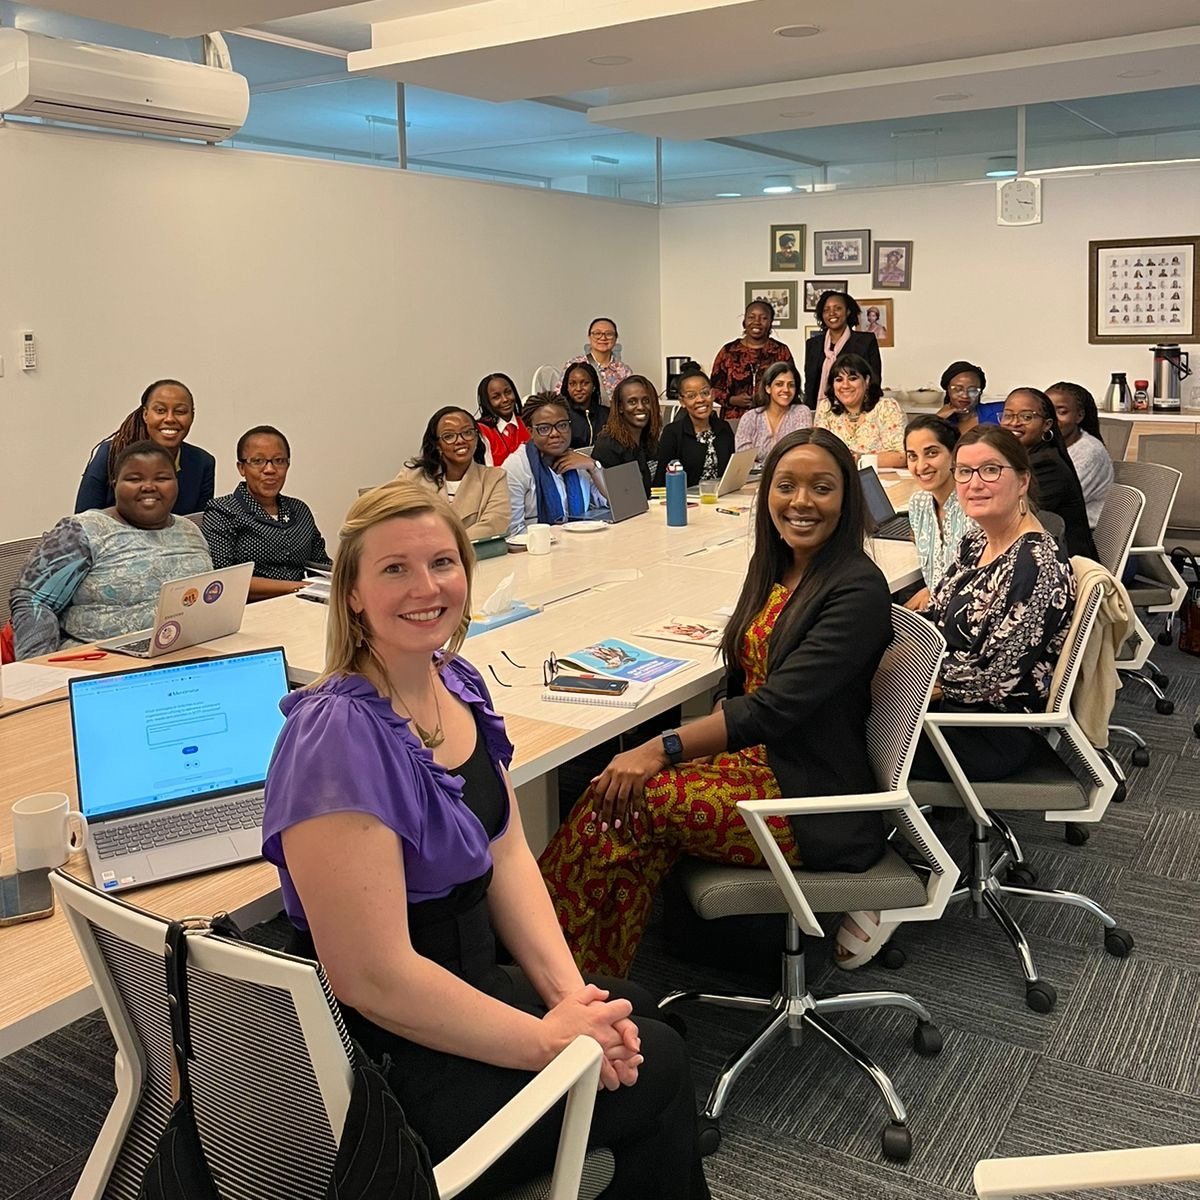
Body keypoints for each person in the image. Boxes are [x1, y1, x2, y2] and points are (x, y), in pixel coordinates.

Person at [261, 484, 710, 1199]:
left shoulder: (454, 682)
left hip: (467, 985)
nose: (426, 587)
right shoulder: (336, 739)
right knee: (655, 1062)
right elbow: (372, 980)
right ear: (350, 593)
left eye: (442, 562)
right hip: (392, 1056)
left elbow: (505, 857)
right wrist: (548, 1042)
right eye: (394, 570)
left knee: (632, 1015)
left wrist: (571, 999)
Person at [539, 429, 892, 977]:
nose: (801, 502)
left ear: (846, 500)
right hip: (763, 762)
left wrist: (662, 748)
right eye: (786, 486)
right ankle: (591, 980)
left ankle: (550, 978)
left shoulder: (856, 587)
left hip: (808, 798)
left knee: (619, 805)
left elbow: (772, 709)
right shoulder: (782, 565)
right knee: (618, 799)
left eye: (821, 488)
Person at [843, 426, 1077, 968]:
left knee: (843, 736)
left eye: (990, 470)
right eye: (967, 471)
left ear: (1022, 481)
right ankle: (867, 858)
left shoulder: (1036, 566)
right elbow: (937, 613)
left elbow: (990, 679)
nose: (974, 482)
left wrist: (895, 670)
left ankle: (904, 872)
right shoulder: (977, 539)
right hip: (947, 707)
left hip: (990, 730)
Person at [13, 441, 212, 659]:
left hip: (188, 653)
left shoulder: (189, 529)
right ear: (115, 484)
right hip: (99, 662)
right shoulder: (82, 530)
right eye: (135, 479)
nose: (149, 486)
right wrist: (39, 671)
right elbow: (33, 599)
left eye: (161, 478)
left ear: (176, 483)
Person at [202, 426, 329, 601]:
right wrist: (298, 588)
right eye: (258, 461)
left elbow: (321, 564)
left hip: (306, 604)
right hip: (252, 611)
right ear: (241, 468)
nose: (270, 469)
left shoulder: (299, 509)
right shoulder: (222, 511)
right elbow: (224, 579)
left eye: (279, 460)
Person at [75, 379, 215, 515]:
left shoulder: (202, 463)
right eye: (160, 410)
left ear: (192, 416)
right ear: (145, 414)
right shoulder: (112, 453)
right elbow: (83, 521)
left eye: (180, 411)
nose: (170, 418)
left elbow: (198, 526)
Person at [999, 388, 1097, 559]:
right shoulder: (1021, 457)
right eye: (1008, 415)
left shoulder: (1047, 464)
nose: (1014, 423)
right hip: (1034, 552)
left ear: (1047, 424)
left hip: (1065, 564)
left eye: (1026, 417)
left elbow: (1015, 516)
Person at [396, 407, 511, 540]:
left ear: (476, 437)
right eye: (449, 436)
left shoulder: (494, 478)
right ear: (437, 445)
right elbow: (392, 520)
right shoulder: (411, 477)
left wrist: (444, 544)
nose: (460, 440)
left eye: (467, 432)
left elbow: (495, 524)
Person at [505, 395, 610, 536]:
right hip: (538, 550)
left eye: (562, 425)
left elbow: (612, 504)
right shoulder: (517, 466)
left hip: (582, 544)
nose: (555, 434)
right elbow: (513, 533)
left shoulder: (579, 462)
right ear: (530, 432)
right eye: (544, 428)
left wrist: (594, 467)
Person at [902, 416, 977, 610]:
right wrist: (931, 590)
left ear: (954, 454)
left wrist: (934, 594)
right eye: (912, 456)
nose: (920, 466)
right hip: (936, 611)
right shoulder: (918, 504)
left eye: (931, 453)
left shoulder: (975, 504)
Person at [709, 301, 797, 424]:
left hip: (773, 419)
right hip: (734, 420)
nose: (757, 321)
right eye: (751, 317)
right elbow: (713, 389)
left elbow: (792, 385)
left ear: (771, 323)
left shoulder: (781, 351)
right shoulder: (728, 351)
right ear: (744, 322)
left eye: (764, 318)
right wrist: (732, 400)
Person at [814, 352, 905, 468]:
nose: (845, 385)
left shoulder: (887, 408)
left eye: (852, 378)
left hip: (880, 481)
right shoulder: (826, 408)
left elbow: (901, 456)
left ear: (866, 381)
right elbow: (818, 452)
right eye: (839, 379)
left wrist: (859, 459)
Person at [652, 365, 735, 487]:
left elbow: (731, 473)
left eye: (705, 393)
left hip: (722, 499)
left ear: (712, 395)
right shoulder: (673, 433)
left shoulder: (724, 428)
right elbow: (662, 481)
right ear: (682, 402)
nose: (700, 399)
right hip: (685, 501)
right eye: (691, 396)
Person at [1046, 382, 1113, 527]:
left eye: (1061, 412)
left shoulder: (1089, 452)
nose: (1052, 419)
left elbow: (1054, 501)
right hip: (1051, 527)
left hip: (1080, 535)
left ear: (1079, 415)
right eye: (1046, 411)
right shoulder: (1048, 444)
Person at [802, 291, 881, 409]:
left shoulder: (865, 341)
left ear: (848, 311)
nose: (831, 313)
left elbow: (874, 379)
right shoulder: (813, 344)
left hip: (858, 410)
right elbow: (810, 384)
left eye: (837, 308)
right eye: (826, 310)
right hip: (819, 411)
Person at [592, 375, 663, 497]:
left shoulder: (649, 440)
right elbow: (623, 497)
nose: (641, 407)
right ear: (620, 407)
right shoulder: (608, 445)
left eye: (646, 401)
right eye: (632, 402)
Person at [734, 361, 812, 461]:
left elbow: (800, 452)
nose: (786, 389)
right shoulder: (750, 418)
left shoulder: (801, 412)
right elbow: (743, 460)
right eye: (779, 384)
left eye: (791, 385)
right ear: (768, 388)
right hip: (755, 476)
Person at [563, 317, 632, 408]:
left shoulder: (624, 371)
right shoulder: (573, 365)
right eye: (597, 333)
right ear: (589, 337)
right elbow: (560, 396)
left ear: (615, 338)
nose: (603, 337)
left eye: (609, 334)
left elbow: (629, 400)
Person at [476, 373, 529, 466]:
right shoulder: (483, 431)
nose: (505, 399)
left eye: (508, 392)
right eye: (496, 397)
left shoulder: (528, 421)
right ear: (487, 402)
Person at [935, 361, 997, 434]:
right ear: (948, 389)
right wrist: (936, 419)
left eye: (973, 390)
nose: (965, 395)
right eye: (958, 389)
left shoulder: (996, 413)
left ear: (980, 392)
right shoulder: (943, 420)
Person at [559, 360, 607, 448]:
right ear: (567, 387)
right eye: (572, 384)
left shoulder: (606, 414)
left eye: (585, 383)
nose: (578, 388)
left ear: (594, 386)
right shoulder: (561, 414)